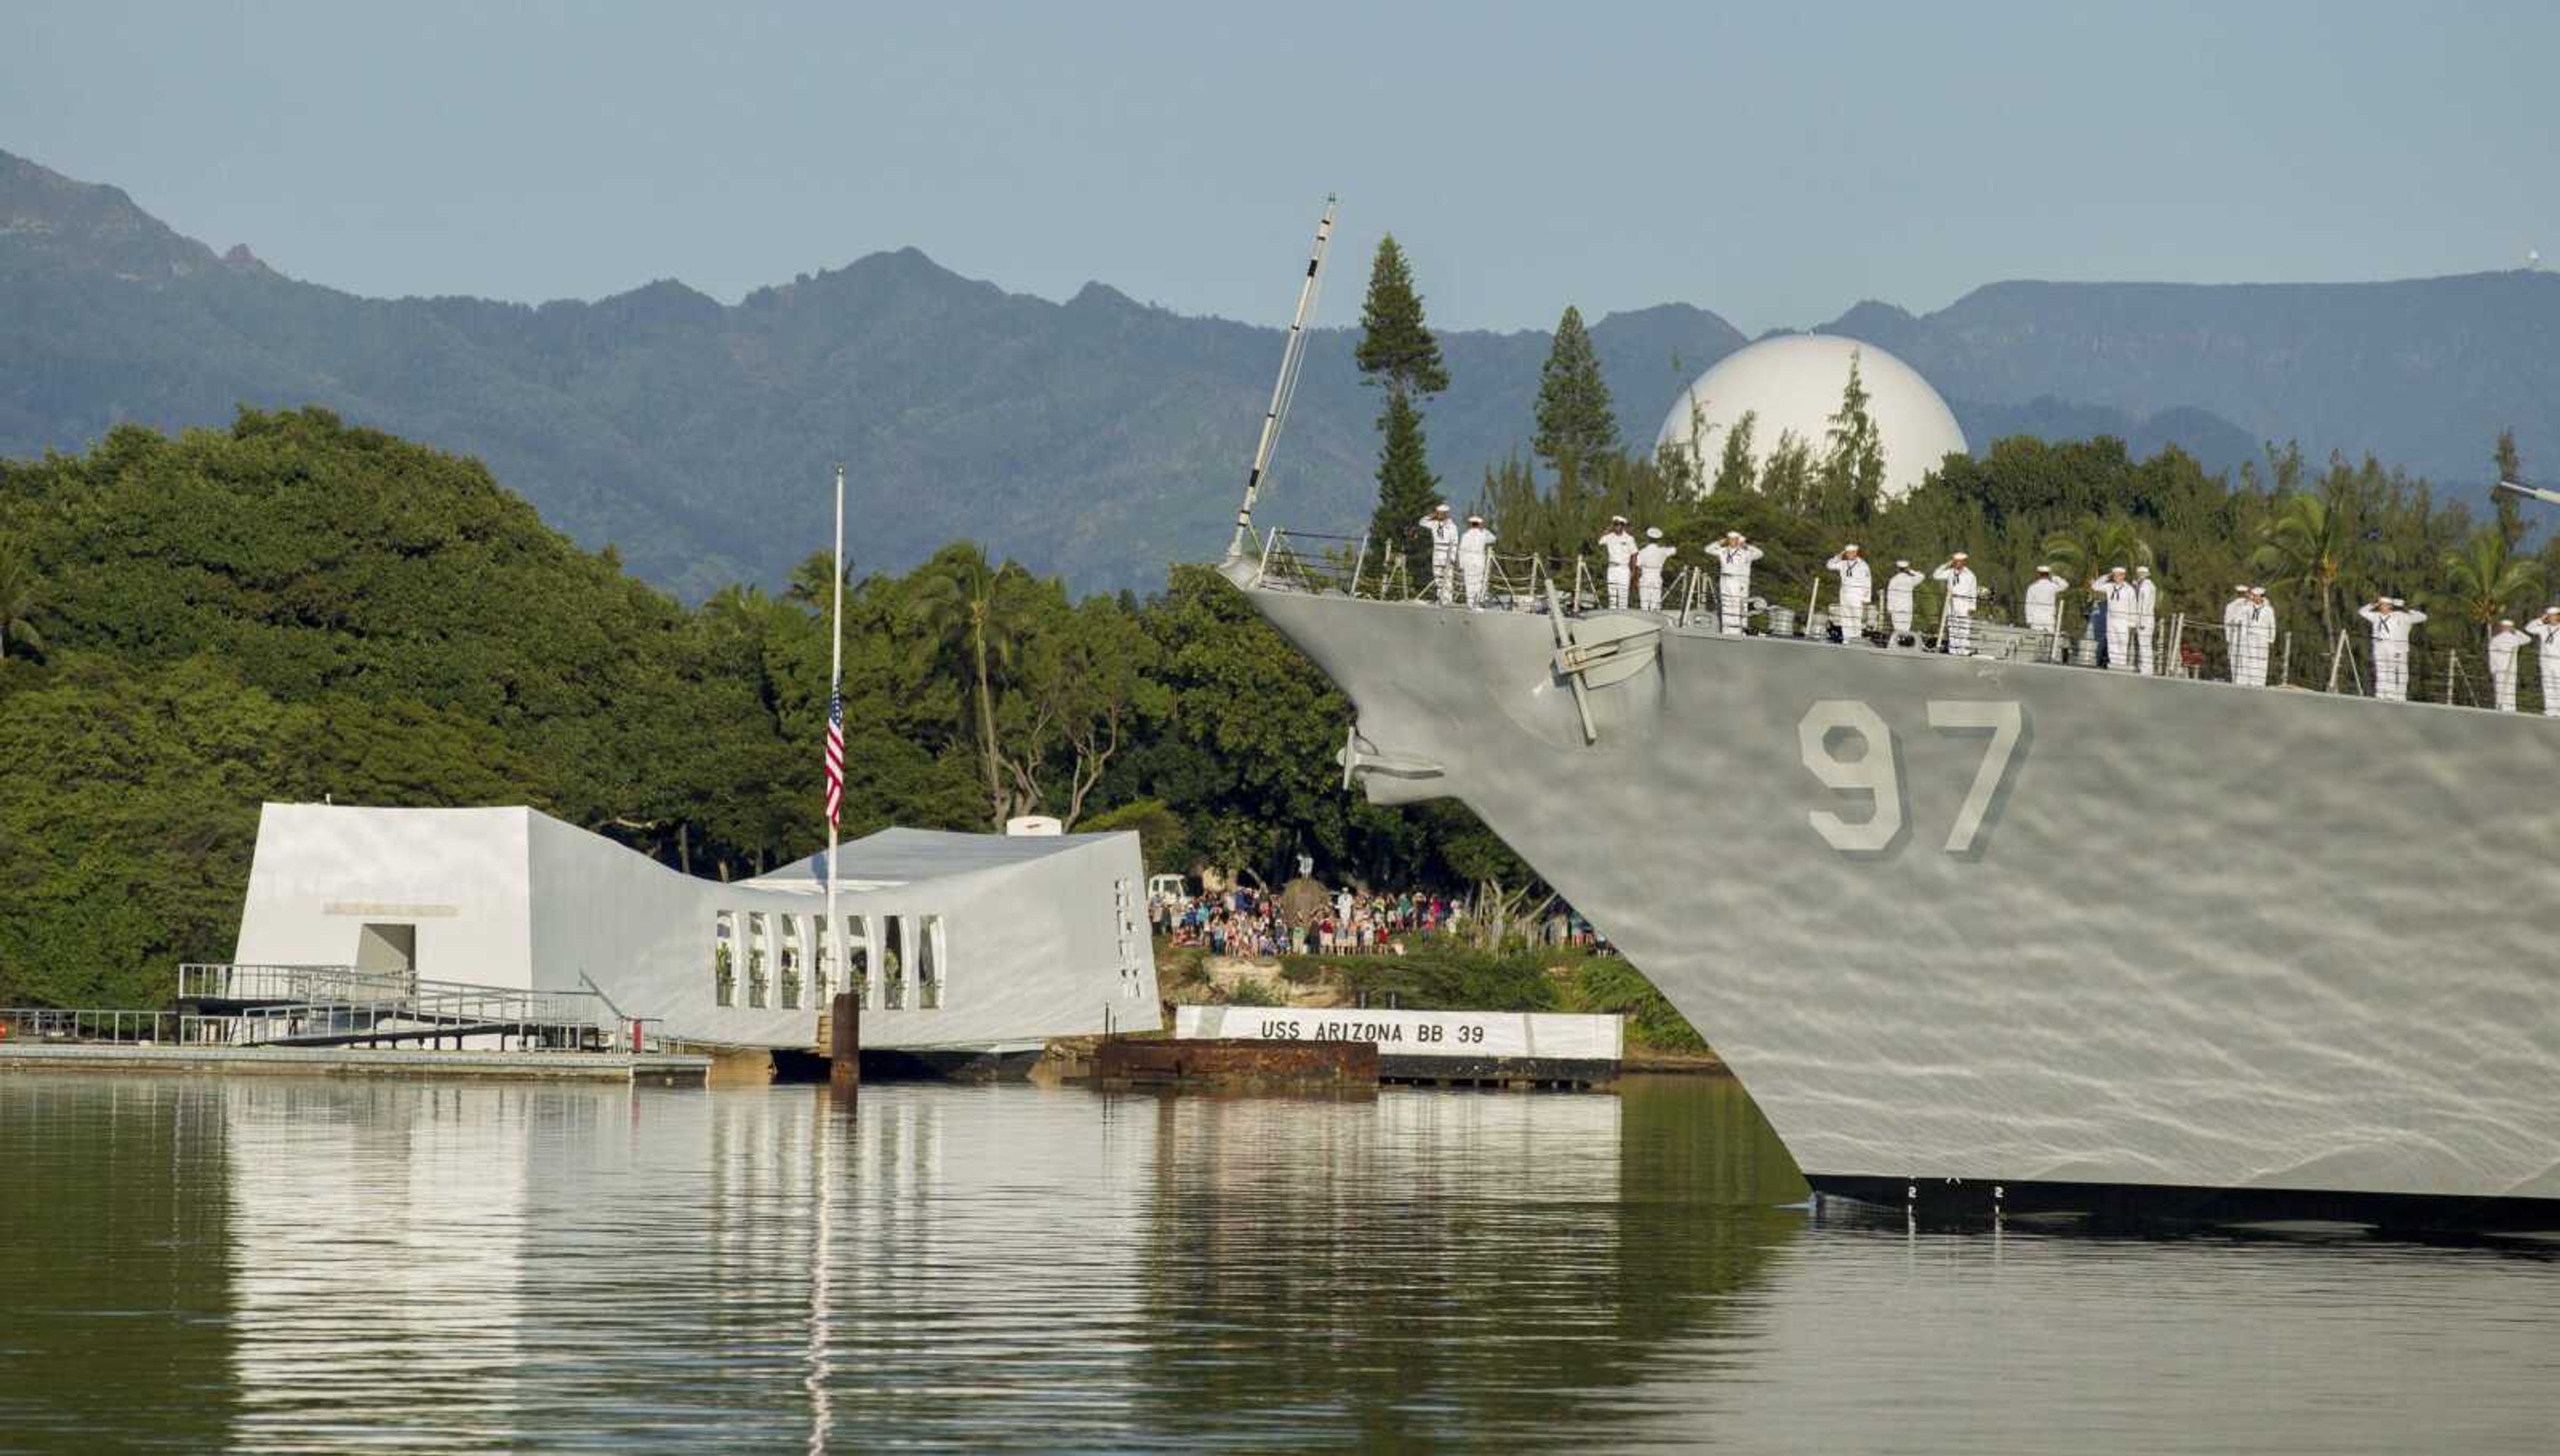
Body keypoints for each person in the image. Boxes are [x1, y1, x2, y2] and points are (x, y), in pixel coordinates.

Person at [2358, 595, 2427, 702]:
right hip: (2379, 645)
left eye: (2386, 605)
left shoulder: (2402, 616)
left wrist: (2408, 610)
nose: (2383, 607)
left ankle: (2396, 695)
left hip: (2396, 647)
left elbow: (2423, 617)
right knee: (2381, 669)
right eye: (2381, 605)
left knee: (2395, 671)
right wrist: (2373, 604)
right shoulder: (2376, 616)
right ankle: (2381, 693)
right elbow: (2362, 612)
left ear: (2391, 607)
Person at [1710, 531, 1764, 635]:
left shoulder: (1747, 554)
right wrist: (1721, 543)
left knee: (1741, 608)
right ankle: (1728, 630)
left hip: (1742, 582)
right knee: (1728, 606)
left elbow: (1759, 554)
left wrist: (1747, 546)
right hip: (1732, 580)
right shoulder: (1729, 552)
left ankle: (1740, 631)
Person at [2089, 567, 2139, 673]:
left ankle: (2121, 664)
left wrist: (2132, 623)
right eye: (2115, 575)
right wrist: (2107, 576)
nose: (2117, 577)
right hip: (2111, 619)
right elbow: (2095, 586)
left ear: (2123, 576)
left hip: (2124, 620)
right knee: (2112, 642)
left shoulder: (2129, 589)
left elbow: (2133, 606)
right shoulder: (2109, 587)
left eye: (2119, 575)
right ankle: (2114, 664)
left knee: (2122, 642)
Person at [1931, 552, 1980, 655]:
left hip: (1964, 604)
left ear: (1964, 562)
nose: (1957, 564)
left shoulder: (1971, 575)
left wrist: (1972, 607)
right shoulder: (1950, 572)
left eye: (1960, 562)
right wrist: (1946, 564)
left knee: (1964, 629)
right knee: (1952, 628)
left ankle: (1964, 651)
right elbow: (1936, 575)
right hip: (1951, 603)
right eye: (1956, 562)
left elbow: (1973, 591)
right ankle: (1953, 651)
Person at [1825, 543, 1873, 643]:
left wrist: (1865, 599)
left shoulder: (1863, 564)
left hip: (1857, 594)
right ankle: (1847, 639)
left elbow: (1867, 582)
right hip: (1845, 594)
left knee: (1856, 618)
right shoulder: (1843, 563)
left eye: (1851, 553)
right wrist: (1838, 556)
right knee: (1846, 617)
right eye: (1847, 553)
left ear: (1855, 553)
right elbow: (1829, 565)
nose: (1848, 555)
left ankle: (1856, 639)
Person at [2235, 587, 2277, 687]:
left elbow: (2273, 625)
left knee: (2261, 659)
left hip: (2263, 637)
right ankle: (2249, 680)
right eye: (2253, 596)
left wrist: (2272, 639)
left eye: (2256, 596)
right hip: (2251, 636)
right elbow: (2238, 618)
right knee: (2250, 657)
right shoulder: (2248, 608)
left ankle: (2259, 681)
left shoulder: (2268, 610)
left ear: (2261, 597)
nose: (2254, 598)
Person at [2488, 617, 2531, 713]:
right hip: (2511, 668)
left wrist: (2492, 670)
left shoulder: (2495, 639)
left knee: (2500, 689)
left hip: (2499, 669)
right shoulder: (2516, 639)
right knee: (2510, 690)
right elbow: (2528, 639)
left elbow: (2492, 656)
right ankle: (2510, 709)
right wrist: (2516, 631)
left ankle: (2500, 708)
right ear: (2510, 628)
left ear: (2502, 627)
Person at [1419, 503, 1458, 605]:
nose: (1439, 515)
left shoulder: (1452, 526)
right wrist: (1432, 516)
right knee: (1438, 577)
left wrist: (1453, 557)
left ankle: (1448, 600)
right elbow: (1422, 522)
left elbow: (1455, 543)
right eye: (1438, 513)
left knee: (1448, 578)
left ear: (1446, 514)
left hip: (1447, 552)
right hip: (1437, 552)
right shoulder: (1434, 524)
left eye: (1441, 513)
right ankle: (1440, 597)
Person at [1457, 513, 1497, 611]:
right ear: (1480, 524)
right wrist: (1484, 529)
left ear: (1471, 524)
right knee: (1479, 582)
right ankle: (1478, 602)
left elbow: (1461, 550)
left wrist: (1461, 564)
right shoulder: (1483, 534)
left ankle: (1470, 603)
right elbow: (1493, 539)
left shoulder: (1465, 535)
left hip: (1468, 560)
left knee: (1469, 582)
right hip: (1479, 559)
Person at [1598, 515, 1637, 610]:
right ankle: (1612, 617)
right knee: (1612, 596)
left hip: (1623, 569)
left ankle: (1623, 617)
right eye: (1615, 524)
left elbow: (1634, 555)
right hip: (1612, 568)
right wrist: (1609, 528)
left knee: (1623, 596)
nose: (1617, 527)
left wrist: (1633, 571)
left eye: (1619, 524)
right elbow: (1600, 541)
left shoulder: (1629, 538)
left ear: (1623, 526)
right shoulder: (1609, 537)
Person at [1635, 527, 1677, 613]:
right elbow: (1674, 550)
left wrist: (1636, 580)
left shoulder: (1643, 552)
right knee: (1656, 603)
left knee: (1644, 604)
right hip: (1657, 576)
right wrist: (1667, 541)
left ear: (1648, 538)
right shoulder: (1663, 551)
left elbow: (1637, 566)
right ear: (1658, 539)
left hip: (1645, 577)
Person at [2528, 606, 2560, 717]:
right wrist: (2541, 620)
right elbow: (2529, 628)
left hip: (2558, 662)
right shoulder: (2543, 628)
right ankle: (2550, 710)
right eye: (2550, 616)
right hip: (2546, 662)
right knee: (2547, 685)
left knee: (2559, 686)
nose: (2553, 618)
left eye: (2555, 616)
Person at [2022, 565, 2062, 653]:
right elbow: (2065, 585)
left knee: (2035, 642)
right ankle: (2049, 657)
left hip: (2036, 618)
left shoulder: (2032, 587)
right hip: (2049, 617)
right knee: (2051, 641)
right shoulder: (2053, 586)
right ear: (2049, 574)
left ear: (2038, 574)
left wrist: (2029, 620)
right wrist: (2055, 578)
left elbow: (2028, 604)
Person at [2129, 565, 2160, 676]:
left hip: (2145, 620)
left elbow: (2145, 605)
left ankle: (2146, 669)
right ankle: (2145, 668)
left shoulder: (2146, 587)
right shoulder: (2147, 585)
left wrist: (2141, 622)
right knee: (2144, 644)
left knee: (2144, 645)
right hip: (2146, 619)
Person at [1886, 559, 1925, 647]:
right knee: (1906, 629)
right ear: (1906, 569)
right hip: (1907, 608)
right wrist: (1910, 570)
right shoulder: (1910, 579)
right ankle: (1902, 646)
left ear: (1898, 569)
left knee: (1897, 629)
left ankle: (1893, 646)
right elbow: (1922, 576)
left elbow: (1890, 594)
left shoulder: (1893, 580)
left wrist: (1889, 608)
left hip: (1897, 608)